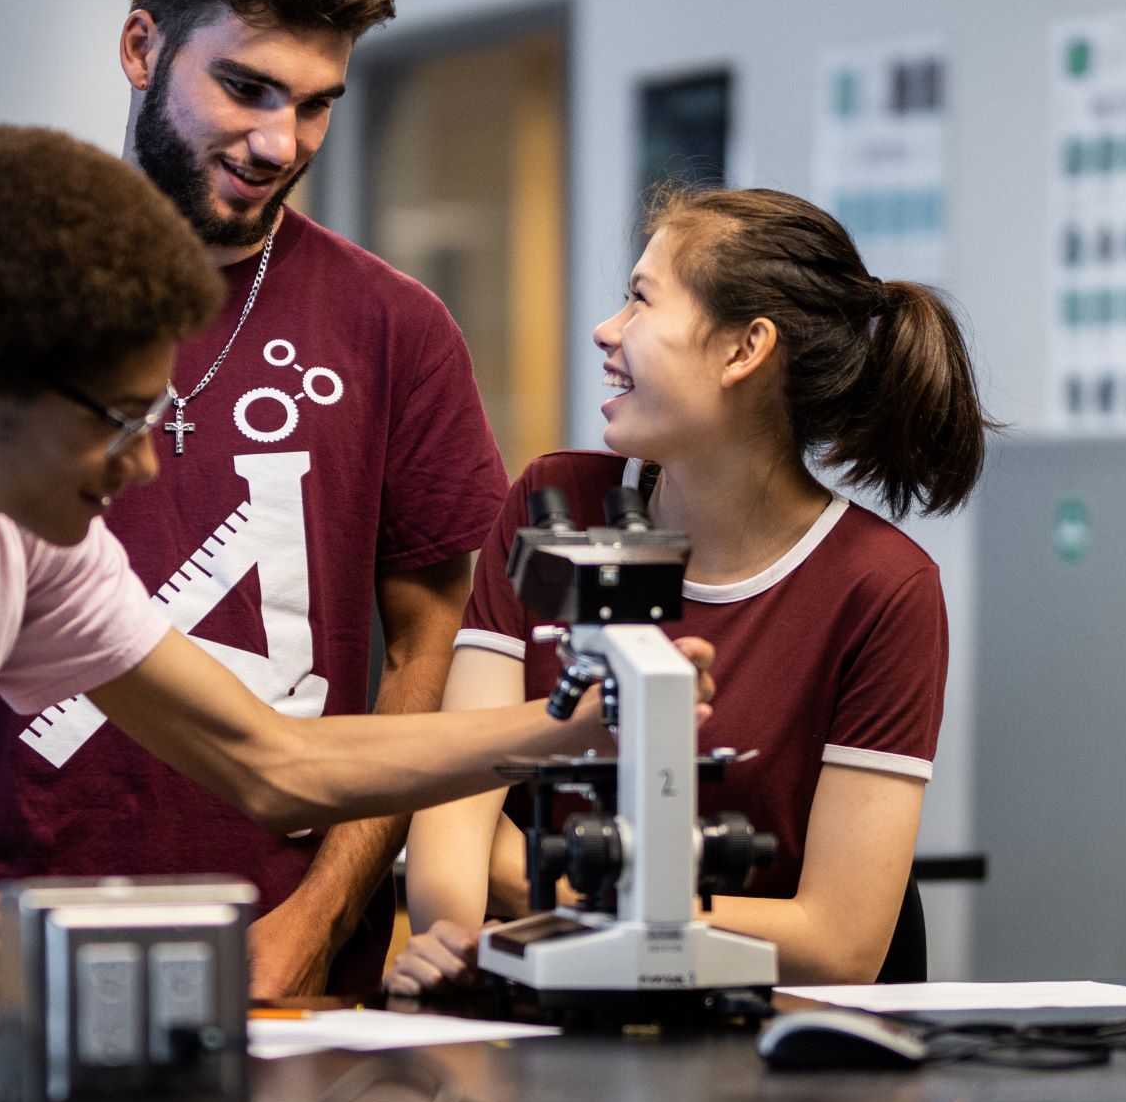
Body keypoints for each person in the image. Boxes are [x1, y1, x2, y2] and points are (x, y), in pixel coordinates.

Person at [0, 127, 704, 1007]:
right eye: (115, 418)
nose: (147, 461)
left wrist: (561, 733)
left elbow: (274, 760)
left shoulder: (21, 549)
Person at [0, 0, 509, 997]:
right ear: (142, 46)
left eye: (318, 101)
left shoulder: (396, 328)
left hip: (276, 960)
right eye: (246, 87)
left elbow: (424, 648)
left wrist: (316, 921)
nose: (281, 141)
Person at [391, 187, 991, 995]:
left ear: (744, 349)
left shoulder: (883, 588)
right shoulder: (554, 502)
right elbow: (455, 806)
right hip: (542, 1010)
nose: (607, 330)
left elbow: (840, 943)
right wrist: (454, 940)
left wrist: (531, 884)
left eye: (640, 299)